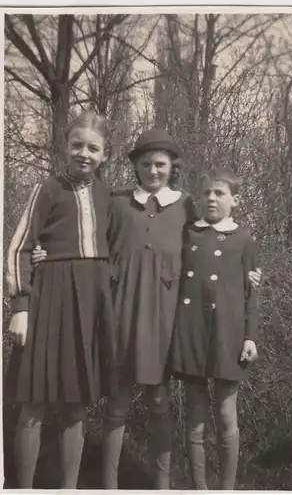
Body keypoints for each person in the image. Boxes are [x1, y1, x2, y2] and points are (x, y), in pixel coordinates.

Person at [31, 130, 262, 489]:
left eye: (160, 165)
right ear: (135, 168)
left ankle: (161, 486)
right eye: (146, 164)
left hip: (169, 324)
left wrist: (247, 275)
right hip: (121, 316)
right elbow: (87, 238)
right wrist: (48, 252)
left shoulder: (186, 205)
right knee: (116, 405)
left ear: (172, 168)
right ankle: (109, 487)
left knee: (160, 404)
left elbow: (211, 246)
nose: (153, 171)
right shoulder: (118, 201)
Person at [5, 110, 115, 489]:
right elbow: (20, 247)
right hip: (48, 299)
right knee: (34, 401)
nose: (84, 153)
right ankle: (23, 488)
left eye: (94, 148)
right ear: (66, 147)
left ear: (106, 154)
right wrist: (21, 308)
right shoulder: (47, 188)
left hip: (90, 304)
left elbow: (121, 248)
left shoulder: (107, 195)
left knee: (75, 402)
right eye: (77, 145)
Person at [170, 168, 260, 490]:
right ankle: (199, 488)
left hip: (227, 337)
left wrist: (250, 336)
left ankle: (227, 488)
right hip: (191, 334)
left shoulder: (243, 239)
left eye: (219, 193)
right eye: (206, 192)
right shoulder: (188, 233)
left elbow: (252, 293)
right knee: (194, 421)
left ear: (235, 200)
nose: (211, 198)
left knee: (226, 416)